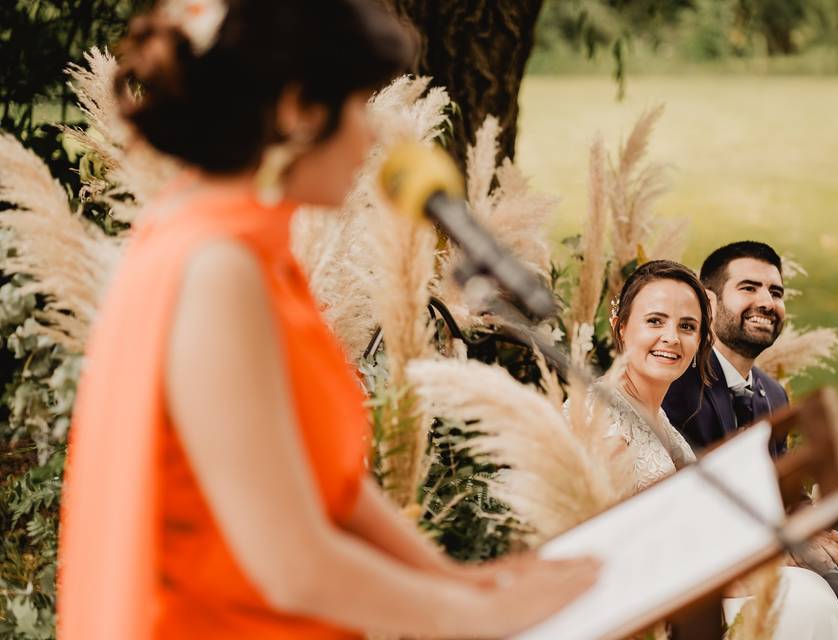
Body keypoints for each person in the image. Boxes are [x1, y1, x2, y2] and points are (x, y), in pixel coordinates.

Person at [57, 1, 599, 638]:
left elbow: (318, 478)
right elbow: (290, 566)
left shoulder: (241, 241)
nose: (371, 136)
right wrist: (479, 618)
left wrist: (453, 579)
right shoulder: (215, 268)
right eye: (358, 105)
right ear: (297, 110)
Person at [662, 241, 838, 640]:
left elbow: (787, 489)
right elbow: (692, 510)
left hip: (776, 538)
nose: (766, 302)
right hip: (717, 562)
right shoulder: (680, 386)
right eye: (749, 288)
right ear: (708, 302)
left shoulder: (771, 392)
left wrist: (812, 526)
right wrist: (784, 546)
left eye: (775, 292)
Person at [604, 260, 838, 640]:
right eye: (655, 321)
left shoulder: (659, 422)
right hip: (651, 615)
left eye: (687, 326)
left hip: (692, 594)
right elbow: (619, 554)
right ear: (621, 327)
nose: (671, 337)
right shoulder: (604, 420)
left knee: (808, 593)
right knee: (805, 599)